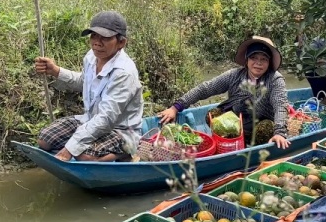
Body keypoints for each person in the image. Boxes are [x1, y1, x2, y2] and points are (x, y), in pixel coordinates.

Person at [34, 10, 143, 162]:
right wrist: (56, 71)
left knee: (85, 157)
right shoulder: (92, 56)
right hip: (90, 120)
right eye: (94, 36)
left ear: (121, 43)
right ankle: (87, 145)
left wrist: (70, 148)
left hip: (120, 130)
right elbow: (84, 82)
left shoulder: (124, 73)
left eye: (105, 38)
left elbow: (106, 119)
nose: (97, 42)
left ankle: (127, 152)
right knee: (44, 140)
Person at [157, 36, 290, 149]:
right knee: (213, 115)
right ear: (247, 60)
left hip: (261, 124)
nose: (258, 63)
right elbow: (206, 88)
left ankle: (254, 151)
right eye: (254, 57)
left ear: (269, 62)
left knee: (265, 129)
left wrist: (280, 132)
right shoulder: (234, 75)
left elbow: (280, 106)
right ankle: (228, 144)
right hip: (236, 124)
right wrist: (176, 107)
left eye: (264, 59)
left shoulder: (275, 79)